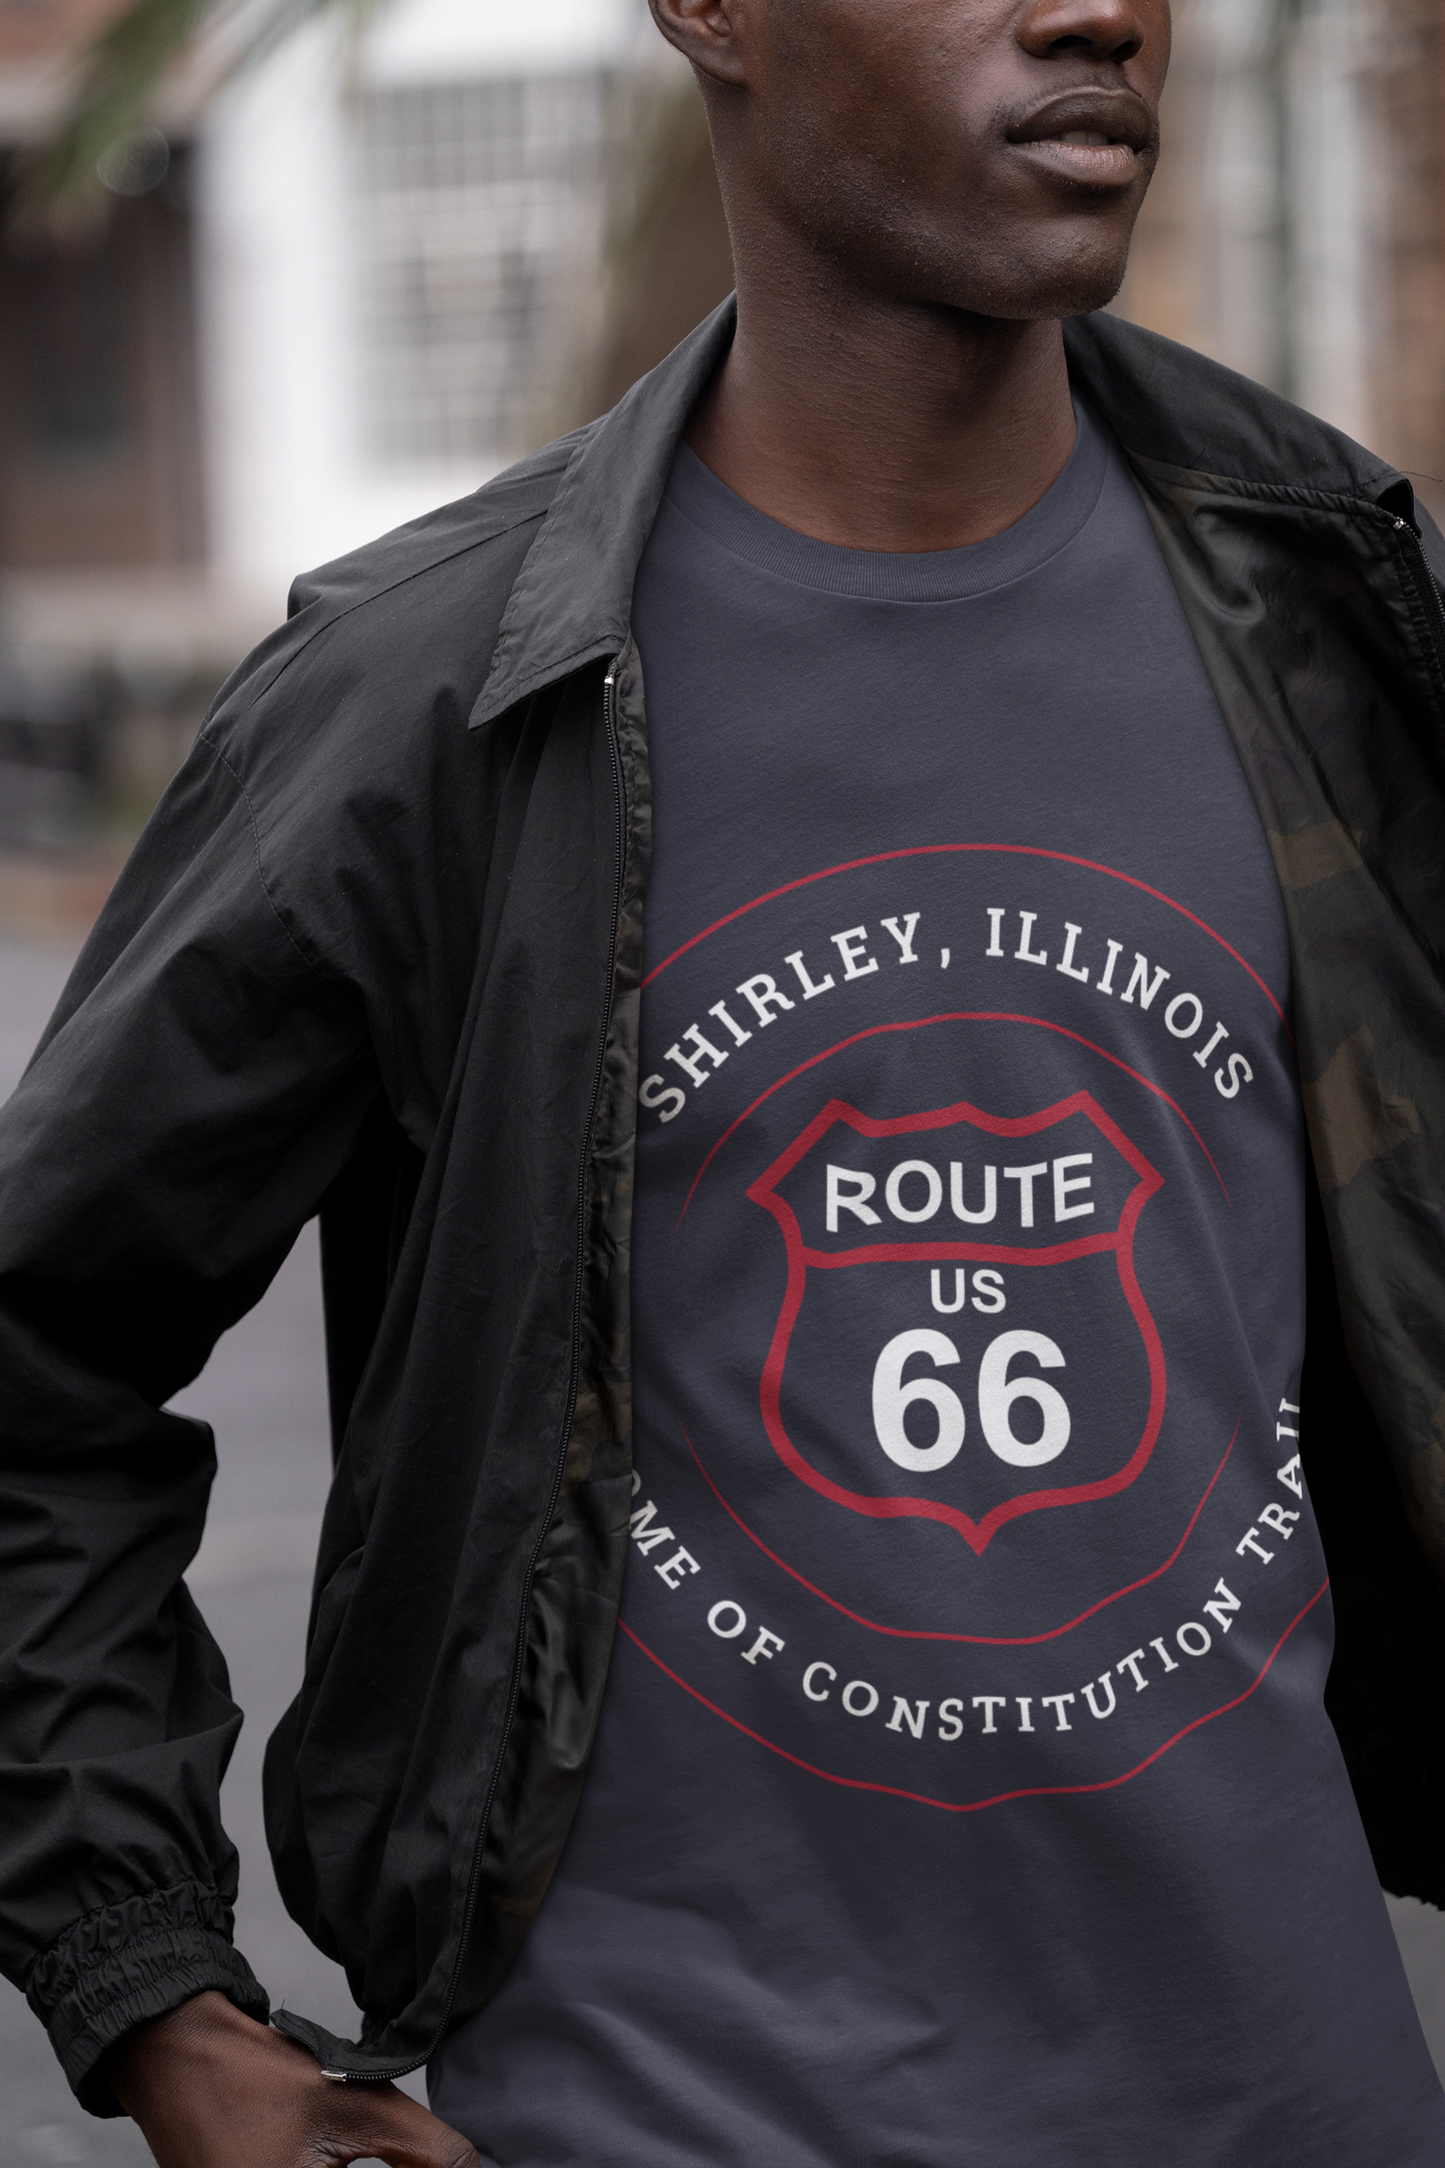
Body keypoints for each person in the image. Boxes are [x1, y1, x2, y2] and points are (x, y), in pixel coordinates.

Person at [4, 0, 1445, 2159]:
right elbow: (38, 1354)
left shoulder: (1322, 627)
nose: (1096, 13)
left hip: (1294, 2100)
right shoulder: (431, 705)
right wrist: (155, 1997)